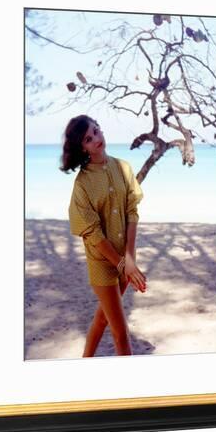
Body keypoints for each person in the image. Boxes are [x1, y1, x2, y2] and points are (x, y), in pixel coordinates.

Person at [60, 114, 146, 357]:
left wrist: (129, 259)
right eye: (88, 138)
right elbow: (93, 234)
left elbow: (132, 212)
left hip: (125, 259)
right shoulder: (82, 185)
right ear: (82, 147)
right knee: (121, 334)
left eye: (96, 131)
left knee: (102, 320)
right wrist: (120, 264)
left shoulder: (124, 168)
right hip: (102, 263)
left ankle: (85, 361)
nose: (96, 138)